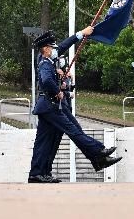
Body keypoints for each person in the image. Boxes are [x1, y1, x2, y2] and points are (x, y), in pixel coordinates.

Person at [28, 29, 121, 183]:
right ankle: (98, 152)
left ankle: (38, 173)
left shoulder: (48, 60)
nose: (55, 49)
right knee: (73, 130)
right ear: (45, 49)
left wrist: (81, 34)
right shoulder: (45, 62)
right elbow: (46, 80)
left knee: (45, 142)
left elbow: (63, 46)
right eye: (52, 47)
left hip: (48, 106)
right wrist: (58, 90)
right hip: (50, 106)